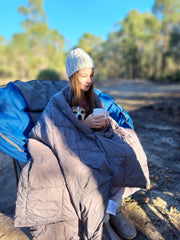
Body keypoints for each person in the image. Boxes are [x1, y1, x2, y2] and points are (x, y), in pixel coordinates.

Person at [14, 48, 150, 240]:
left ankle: (114, 208)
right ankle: (100, 219)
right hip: (70, 144)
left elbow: (106, 121)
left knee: (128, 149)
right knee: (90, 171)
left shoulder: (93, 98)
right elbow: (52, 129)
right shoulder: (58, 101)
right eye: (83, 75)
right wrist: (83, 124)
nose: (88, 80)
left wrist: (103, 125)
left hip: (95, 138)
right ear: (72, 76)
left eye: (91, 75)